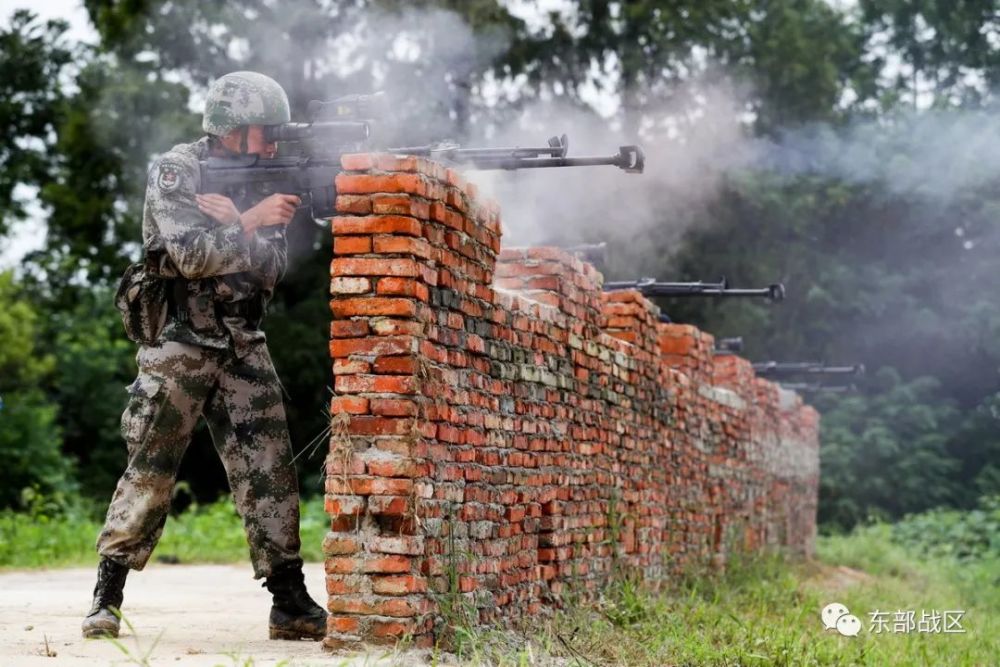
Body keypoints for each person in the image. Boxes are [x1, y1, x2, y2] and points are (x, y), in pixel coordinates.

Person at [82, 71, 328, 641]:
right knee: (151, 469)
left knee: (271, 473)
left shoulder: (264, 179)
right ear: (232, 130)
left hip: (243, 341)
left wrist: (240, 221)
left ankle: (288, 602)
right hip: (181, 343)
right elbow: (186, 258)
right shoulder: (178, 171)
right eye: (264, 132)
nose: (272, 143)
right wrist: (246, 221)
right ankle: (106, 595)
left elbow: (271, 270)